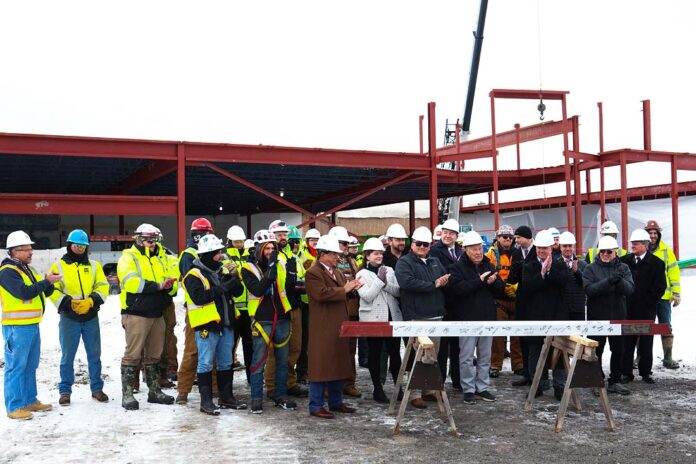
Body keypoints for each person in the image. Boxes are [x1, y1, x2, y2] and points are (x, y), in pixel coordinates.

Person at [182, 234, 245, 414]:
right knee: (205, 364)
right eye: (217, 253)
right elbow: (199, 298)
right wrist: (223, 288)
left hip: (226, 325)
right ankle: (206, 401)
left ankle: (226, 398)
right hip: (207, 326)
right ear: (207, 254)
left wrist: (235, 277)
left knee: (226, 363)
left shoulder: (222, 271)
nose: (221, 256)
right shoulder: (193, 275)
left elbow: (239, 292)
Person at [1, 230, 60, 420]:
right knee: (16, 367)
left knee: (30, 366)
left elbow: (40, 293)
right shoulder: (7, 272)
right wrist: (44, 282)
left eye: (30, 249)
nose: (31, 252)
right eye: (26, 249)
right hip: (17, 327)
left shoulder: (25, 269)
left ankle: (29, 400)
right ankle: (14, 406)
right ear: (14, 251)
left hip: (31, 324)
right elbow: (24, 293)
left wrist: (49, 284)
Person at [117, 223, 177, 410]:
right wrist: (159, 286)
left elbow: (173, 279)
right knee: (133, 354)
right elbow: (131, 282)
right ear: (138, 239)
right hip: (136, 313)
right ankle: (127, 394)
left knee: (154, 354)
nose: (151, 243)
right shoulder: (128, 258)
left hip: (157, 312)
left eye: (154, 240)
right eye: (148, 240)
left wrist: (168, 287)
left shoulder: (161, 257)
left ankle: (154, 391)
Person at [49, 229, 109, 406]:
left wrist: (92, 300)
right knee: (68, 356)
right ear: (69, 245)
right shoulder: (58, 266)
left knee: (94, 355)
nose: (80, 248)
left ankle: (97, 389)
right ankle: (65, 391)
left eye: (83, 245)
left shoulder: (94, 266)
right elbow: (52, 289)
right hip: (69, 317)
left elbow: (103, 286)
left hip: (91, 316)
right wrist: (68, 303)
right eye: (77, 245)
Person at [305, 235, 363, 419]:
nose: (338, 257)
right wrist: (344, 290)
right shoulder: (313, 272)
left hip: (338, 325)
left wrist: (352, 290)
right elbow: (321, 294)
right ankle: (315, 405)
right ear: (323, 254)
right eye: (334, 254)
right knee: (321, 365)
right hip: (323, 327)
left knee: (338, 363)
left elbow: (339, 294)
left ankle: (336, 402)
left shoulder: (336, 272)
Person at [241, 229, 297, 414]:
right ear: (258, 249)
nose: (270, 251)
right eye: (266, 248)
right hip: (262, 319)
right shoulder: (247, 268)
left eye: (272, 248)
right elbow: (257, 290)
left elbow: (286, 287)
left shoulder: (279, 263)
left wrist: (291, 272)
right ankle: (256, 398)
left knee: (282, 361)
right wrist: (270, 271)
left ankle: (280, 396)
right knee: (258, 362)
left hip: (281, 316)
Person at [394, 226, 449, 409]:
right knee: (417, 355)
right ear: (412, 244)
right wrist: (434, 284)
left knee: (432, 356)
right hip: (416, 316)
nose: (422, 247)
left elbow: (443, 279)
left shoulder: (434, 261)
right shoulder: (404, 263)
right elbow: (407, 283)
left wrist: (444, 282)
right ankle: (415, 393)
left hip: (435, 314)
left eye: (426, 244)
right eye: (419, 244)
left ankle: (427, 389)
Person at [448, 231, 505, 405]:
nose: (479, 252)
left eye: (480, 248)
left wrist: (493, 282)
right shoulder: (457, 268)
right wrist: (480, 281)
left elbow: (500, 289)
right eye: (474, 249)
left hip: (486, 317)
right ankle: (468, 389)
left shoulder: (489, 264)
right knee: (465, 357)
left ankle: (482, 387)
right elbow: (458, 290)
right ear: (465, 250)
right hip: (467, 319)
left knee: (484, 355)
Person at [517, 230, 568, 400]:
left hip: (556, 315)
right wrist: (541, 274)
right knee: (535, 352)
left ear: (551, 248)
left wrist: (549, 271)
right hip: (535, 316)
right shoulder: (529, 266)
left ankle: (559, 387)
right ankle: (536, 385)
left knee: (559, 352)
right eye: (538, 248)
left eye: (544, 248)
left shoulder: (559, 264)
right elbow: (527, 287)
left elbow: (563, 282)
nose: (541, 251)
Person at [583, 235, 635, 395]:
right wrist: (610, 281)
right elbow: (589, 290)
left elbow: (630, 290)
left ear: (615, 253)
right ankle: (595, 381)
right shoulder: (590, 268)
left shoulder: (624, 268)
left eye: (609, 252)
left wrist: (618, 280)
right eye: (603, 251)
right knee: (596, 351)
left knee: (618, 349)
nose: (605, 254)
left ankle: (615, 380)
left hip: (617, 316)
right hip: (596, 317)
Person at [356, 237, 403, 403]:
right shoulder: (361, 274)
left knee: (395, 354)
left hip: (391, 317)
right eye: (375, 253)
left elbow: (397, 291)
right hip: (373, 319)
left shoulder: (389, 270)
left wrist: (385, 284)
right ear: (367, 256)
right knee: (375, 355)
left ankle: (399, 388)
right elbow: (367, 296)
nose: (379, 256)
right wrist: (379, 281)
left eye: (381, 253)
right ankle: (378, 388)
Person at [265, 221, 307, 399]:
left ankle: (289, 382)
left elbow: (301, 275)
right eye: (279, 234)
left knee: (295, 348)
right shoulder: (270, 256)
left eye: (284, 234)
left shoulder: (293, 256)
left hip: (295, 305)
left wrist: (302, 284)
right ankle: (272, 386)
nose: (283, 237)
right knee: (276, 350)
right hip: (279, 308)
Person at [176, 218, 214, 404]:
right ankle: (183, 390)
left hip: (213, 309)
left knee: (212, 351)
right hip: (196, 312)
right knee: (192, 351)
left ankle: (213, 389)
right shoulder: (189, 255)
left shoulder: (210, 250)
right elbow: (191, 284)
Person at [620, 229, 666, 384]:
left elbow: (659, 287)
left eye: (636, 243)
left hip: (646, 310)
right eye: (632, 243)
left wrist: (648, 303)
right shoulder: (624, 261)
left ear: (645, 245)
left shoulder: (657, 264)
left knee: (646, 342)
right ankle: (626, 372)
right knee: (627, 342)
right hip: (628, 309)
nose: (632, 245)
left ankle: (645, 372)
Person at [428, 218, 463, 392]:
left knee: (457, 344)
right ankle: (439, 381)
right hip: (443, 301)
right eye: (445, 232)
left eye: (451, 233)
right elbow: (441, 273)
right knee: (442, 345)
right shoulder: (435, 250)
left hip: (458, 303)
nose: (447, 236)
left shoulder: (460, 250)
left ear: (457, 236)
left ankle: (457, 379)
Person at [329, 226, 362, 398]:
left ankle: (349, 383)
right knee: (332, 349)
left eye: (346, 244)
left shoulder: (352, 261)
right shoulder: (322, 263)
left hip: (351, 310)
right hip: (334, 312)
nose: (345, 247)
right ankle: (329, 385)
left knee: (350, 350)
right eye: (343, 243)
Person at [486, 224, 523, 377]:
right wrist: (503, 287)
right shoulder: (491, 255)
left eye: (510, 237)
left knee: (517, 336)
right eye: (504, 237)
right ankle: (495, 365)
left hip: (516, 299)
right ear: (498, 238)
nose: (507, 239)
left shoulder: (519, 253)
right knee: (497, 336)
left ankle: (518, 365)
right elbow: (488, 273)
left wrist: (516, 287)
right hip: (498, 299)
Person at [645, 219, 681, 369]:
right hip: (645, 297)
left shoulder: (666, 251)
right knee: (644, 326)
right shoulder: (640, 249)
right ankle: (640, 357)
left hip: (663, 298)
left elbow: (673, 272)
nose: (653, 236)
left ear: (658, 234)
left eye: (655, 233)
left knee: (665, 326)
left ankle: (668, 357)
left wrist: (676, 293)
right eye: (650, 233)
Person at [507, 225, 536, 387]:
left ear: (527, 237)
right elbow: (512, 279)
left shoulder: (538, 250)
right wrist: (516, 271)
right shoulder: (516, 253)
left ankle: (538, 375)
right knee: (523, 338)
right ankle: (526, 373)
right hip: (522, 300)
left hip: (536, 301)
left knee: (536, 340)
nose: (515, 241)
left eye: (518, 238)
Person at [225, 225, 252, 384]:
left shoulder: (250, 255)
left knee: (250, 347)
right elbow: (231, 274)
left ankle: (251, 377)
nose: (239, 244)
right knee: (229, 347)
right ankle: (227, 382)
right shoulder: (225, 257)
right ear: (230, 241)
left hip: (249, 310)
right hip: (233, 310)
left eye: (241, 241)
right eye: (236, 242)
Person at [155, 227, 180, 388]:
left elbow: (175, 280)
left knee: (169, 337)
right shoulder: (138, 258)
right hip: (146, 303)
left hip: (166, 301)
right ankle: (147, 372)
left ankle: (168, 371)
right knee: (147, 339)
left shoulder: (169, 258)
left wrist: (167, 289)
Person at [296, 227, 321, 383]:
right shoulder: (302, 255)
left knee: (315, 339)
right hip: (304, 303)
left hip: (316, 302)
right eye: (312, 240)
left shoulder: (321, 254)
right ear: (307, 241)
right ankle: (302, 371)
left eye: (317, 240)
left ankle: (312, 369)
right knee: (304, 340)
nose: (315, 243)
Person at [558, 231, 588, 321]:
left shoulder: (582, 264)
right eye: (565, 246)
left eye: (570, 246)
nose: (567, 249)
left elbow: (586, 284)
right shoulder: (555, 264)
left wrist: (577, 271)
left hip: (578, 310)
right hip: (561, 309)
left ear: (574, 247)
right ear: (560, 247)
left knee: (577, 335)